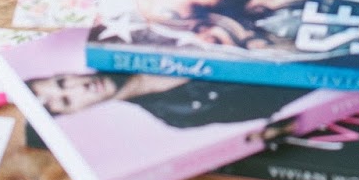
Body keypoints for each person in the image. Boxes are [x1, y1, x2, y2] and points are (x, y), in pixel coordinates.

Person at [28, 69, 294, 134]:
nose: (79, 87)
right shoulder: (177, 115)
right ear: (75, 111)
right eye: (67, 100)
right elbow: (267, 107)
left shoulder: (134, 38)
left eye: (62, 82)